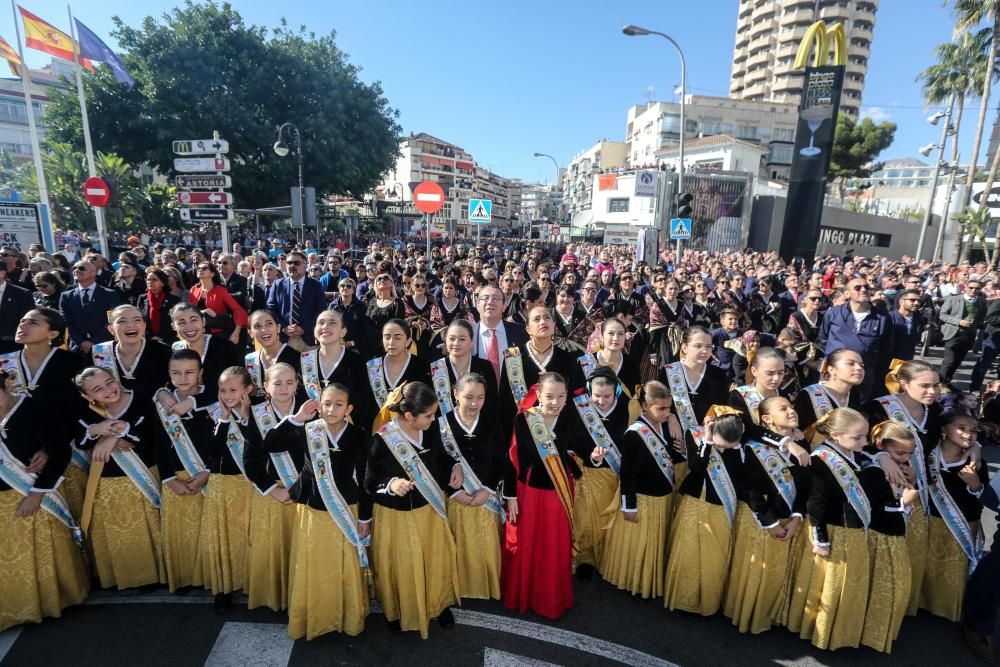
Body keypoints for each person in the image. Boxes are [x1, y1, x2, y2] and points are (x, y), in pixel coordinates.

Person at [275, 382, 371, 639]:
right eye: (326, 403)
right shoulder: (308, 430)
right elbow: (271, 444)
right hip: (313, 509)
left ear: (348, 408)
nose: (331, 409)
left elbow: (365, 479)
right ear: (319, 405)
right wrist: (296, 418)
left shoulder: (358, 435)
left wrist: (365, 517)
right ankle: (315, 616)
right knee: (315, 566)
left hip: (345, 509)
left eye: (338, 404)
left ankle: (347, 617)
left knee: (343, 566)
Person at [366, 382, 462, 638]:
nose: (434, 419)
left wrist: (455, 466)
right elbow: (370, 482)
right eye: (428, 415)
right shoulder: (383, 439)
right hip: (397, 517)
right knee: (403, 566)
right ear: (409, 416)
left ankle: (439, 604)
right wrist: (391, 484)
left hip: (428, 510)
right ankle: (398, 610)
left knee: (435, 558)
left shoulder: (429, 431)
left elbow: (441, 457)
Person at [0, 367, 89, 632]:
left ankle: (51, 603)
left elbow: (59, 451)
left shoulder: (36, 409)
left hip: (37, 494)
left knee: (42, 554)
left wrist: (37, 494)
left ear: (6, 387)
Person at [75, 366, 164, 591]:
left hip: (144, 474)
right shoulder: (89, 411)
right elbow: (81, 441)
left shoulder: (142, 399)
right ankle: (127, 576)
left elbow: (148, 437)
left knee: (150, 526)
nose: (108, 390)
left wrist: (110, 438)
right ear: (87, 396)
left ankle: (157, 574)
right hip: (107, 481)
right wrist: (97, 429)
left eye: (109, 382)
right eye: (97, 389)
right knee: (119, 531)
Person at [789, 407, 871, 651]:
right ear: (835, 435)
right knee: (828, 585)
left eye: (865, 436)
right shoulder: (822, 460)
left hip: (852, 530)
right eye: (858, 437)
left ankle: (843, 629)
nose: (864, 442)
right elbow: (815, 503)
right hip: (834, 530)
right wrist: (821, 538)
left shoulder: (855, 453)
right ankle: (821, 630)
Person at [863, 359, 941, 616]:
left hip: (917, 489)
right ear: (903, 384)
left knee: (911, 546)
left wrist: (974, 446)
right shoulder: (878, 408)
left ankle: (903, 602)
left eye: (936, 386)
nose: (932, 392)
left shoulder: (935, 412)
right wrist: (881, 457)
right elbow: (859, 443)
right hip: (885, 487)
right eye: (925, 386)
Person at [724, 395, 807, 635]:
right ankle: (750, 614)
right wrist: (769, 522)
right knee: (757, 572)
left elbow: (806, 484)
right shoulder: (752, 447)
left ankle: (774, 613)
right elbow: (749, 489)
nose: (791, 411)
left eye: (792, 407)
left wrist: (798, 516)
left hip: (791, 519)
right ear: (767, 419)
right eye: (784, 409)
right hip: (761, 521)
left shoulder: (801, 446)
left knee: (779, 572)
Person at [502, 372, 582, 620]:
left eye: (561, 396)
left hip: (558, 492)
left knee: (554, 545)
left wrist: (593, 457)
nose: (555, 402)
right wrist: (511, 496)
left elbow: (580, 450)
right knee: (528, 543)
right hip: (530, 492)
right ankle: (524, 594)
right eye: (549, 396)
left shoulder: (570, 417)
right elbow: (512, 460)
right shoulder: (525, 419)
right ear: (538, 395)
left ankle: (551, 598)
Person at [600, 380, 681, 599]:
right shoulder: (634, 433)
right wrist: (629, 506)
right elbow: (627, 474)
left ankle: (649, 580)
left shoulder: (665, 425)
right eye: (661, 408)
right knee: (639, 546)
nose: (667, 413)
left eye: (669, 409)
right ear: (645, 406)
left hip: (662, 497)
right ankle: (633, 581)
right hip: (642, 500)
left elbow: (669, 460)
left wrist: (680, 452)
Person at [663, 407, 745, 617]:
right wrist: (707, 442)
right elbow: (697, 469)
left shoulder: (738, 444)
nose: (726, 447)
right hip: (695, 502)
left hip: (721, 507)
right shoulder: (695, 435)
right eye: (721, 442)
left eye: (731, 443)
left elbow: (738, 475)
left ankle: (707, 601)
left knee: (714, 558)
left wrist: (732, 447)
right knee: (688, 553)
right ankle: (683, 600)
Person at [152, 350, 218, 598]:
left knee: (210, 531)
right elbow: (159, 443)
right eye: (176, 373)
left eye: (190, 372)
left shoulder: (214, 399)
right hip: (178, 478)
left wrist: (208, 471)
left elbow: (223, 442)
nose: (183, 377)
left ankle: (214, 578)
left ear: (200, 373)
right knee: (183, 534)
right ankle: (187, 577)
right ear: (169, 376)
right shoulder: (162, 404)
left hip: (209, 475)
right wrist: (168, 478)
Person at [245, 362, 307, 611]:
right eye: (277, 383)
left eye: (290, 382)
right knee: (274, 550)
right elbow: (250, 461)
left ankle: (302, 595)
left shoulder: (310, 410)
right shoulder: (257, 413)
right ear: (265, 387)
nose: (284, 388)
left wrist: (304, 487)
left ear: (297, 384)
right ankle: (276, 597)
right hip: (274, 493)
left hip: (305, 491)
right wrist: (274, 490)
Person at [439, 372, 502, 600]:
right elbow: (437, 460)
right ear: (456, 394)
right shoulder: (442, 424)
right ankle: (461, 587)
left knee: (487, 545)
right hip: (457, 497)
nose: (475, 404)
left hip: (487, 495)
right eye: (468, 397)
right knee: (459, 543)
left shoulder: (492, 421)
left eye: (481, 398)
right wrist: (455, 492)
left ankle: (488, 586)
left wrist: (487, 488)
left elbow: (500, 457)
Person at [921, 411, 989, 623]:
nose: (968, 435)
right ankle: (920, 602)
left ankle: (945, 607)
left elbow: (983, 499)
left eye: (973, 431)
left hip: (962, 524)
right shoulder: (927, 456)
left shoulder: (976, 464)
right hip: (931, 520)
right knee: (927, 565)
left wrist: (975, 484)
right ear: (944, 429)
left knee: (951, 572)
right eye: (961, 428)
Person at [859, 421, 918, 654]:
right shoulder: (874, 471)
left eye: (909, 453)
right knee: (880, 586)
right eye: (899, 453)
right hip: (879, 537)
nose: (905, 458)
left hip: (893, 536)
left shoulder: (900, 466)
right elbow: (876, 510)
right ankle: (869, 632)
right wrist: (904, 503)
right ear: (881, 446)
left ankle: (879, 630)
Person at [571, 366, 630, 582]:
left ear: (616, 392)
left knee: (610, 519)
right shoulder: (582, 409)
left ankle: (606, 559)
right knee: (586, 518)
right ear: (589, 391)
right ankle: (585, 558)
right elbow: (575, 439)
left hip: (615, 475)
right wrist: (591, 454)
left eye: (607, 396)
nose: (602, 401)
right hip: (590, 473)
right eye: (596, 396)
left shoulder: (627, 408)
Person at [818, 277, 894, 402]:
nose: (863, 290)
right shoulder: (834, 313)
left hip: (863, 374)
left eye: (867, 287)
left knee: (857, 409)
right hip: (834, 373)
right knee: (828, 405)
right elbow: (823, 337)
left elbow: (886, 347)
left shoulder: (882, 317)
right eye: (858, 288)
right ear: (847, 293)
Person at [367, 319, 432, 431]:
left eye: (397, 337)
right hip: (377, 433)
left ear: (408, 341)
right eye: (387, 337)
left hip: (411, 432)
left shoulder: (421, 366)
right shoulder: (372, 366)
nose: (391, 342)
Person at [168, 302, 241, 397]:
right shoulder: (175, 350)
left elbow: (237, 383)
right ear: (174, 326)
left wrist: (195, 402)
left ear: (203, 321)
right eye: (182, 322)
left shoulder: (225, 347)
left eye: (194, 320)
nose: (189, 327)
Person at [429, 319, 497, 417]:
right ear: (445, 341)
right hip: (444, 429)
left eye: (462, 339)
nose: (456, 343)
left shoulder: (485, 367)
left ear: (471, 342)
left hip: (479, 428)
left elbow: (491, 403)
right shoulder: (435, 368)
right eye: (452, 339)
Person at [266, 250, 328, 351]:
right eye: (289, 263)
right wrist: (284, 328)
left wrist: (304, 328)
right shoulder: (278, 285)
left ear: (305, 265)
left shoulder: (316, 285)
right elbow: (271, 310)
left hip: (309, 339)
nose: (292, 265)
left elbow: (320, 311)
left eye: (296, 263)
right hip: (284, 338)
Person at [60, 260, 124, 353]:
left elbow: (112, 320)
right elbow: (66, 322)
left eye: (81, 268)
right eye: (74, 268)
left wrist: (94, 342)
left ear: (93, 273)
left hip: (104, 346)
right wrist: (81, 342)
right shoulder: (66, 296)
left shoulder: (110, 294)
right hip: (77, 348)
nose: (76, 270)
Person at [472, 285, 528, 384]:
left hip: (513, 395)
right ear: (477, 305)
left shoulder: (520, 332)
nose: (490, 302)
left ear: (504, 305)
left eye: (495, 298)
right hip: (479, 396)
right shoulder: (469, 335)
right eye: (485, 298)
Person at [938, 278, 986, 386]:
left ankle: (947, 382)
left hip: (969, 335)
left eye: (977, 288)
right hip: (953, 333)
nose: (973, 290)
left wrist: (979, 325)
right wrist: (959, 321)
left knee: (958, 361)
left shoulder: (982, 301)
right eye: (971, 288)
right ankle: (939, 384)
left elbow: (982, 316)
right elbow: (942, 315)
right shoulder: (953, 299)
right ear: (965, 288)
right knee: (949, 361)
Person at [187, 260, 248, 346]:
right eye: (199, 268)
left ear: (212, 274)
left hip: (218, 333)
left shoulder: (220, 290)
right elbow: (189, 311)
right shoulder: (193, 289)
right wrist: (202, 312)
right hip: (198, 333)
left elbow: (238, 309)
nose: (200, 270)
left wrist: (236, 332)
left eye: (204, 268)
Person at [245, 310, 301, 396]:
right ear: (250, 332)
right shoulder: (250, 360)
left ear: (278, 328)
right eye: (257, 326)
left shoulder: (297, 357)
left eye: (269, 324)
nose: (264, 330)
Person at [137, 267, 180, 345]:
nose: (150, 282)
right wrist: (150, 337)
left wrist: (160, 336)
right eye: (148, 279)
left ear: (162, 283)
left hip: (169, 340)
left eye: (154, 279)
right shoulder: (142, 299)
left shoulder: (174, 300)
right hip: (147, 340)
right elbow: (140, 320)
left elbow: (175, 322)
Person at [326, 277, 366, 355]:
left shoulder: (361, 306)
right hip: (336, 345)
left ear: (353, 290)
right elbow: (329, 325)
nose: (345, 288)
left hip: (356, 347)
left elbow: (365, 329)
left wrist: (352, 343)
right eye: (342, 286)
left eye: (348, 286)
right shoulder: (333, 305)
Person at [889, 288, 925, 361]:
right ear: (901, 302)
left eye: (918, 300)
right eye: (912, 300)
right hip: (887, 361)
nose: (916, 303)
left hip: (906, 361)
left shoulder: (918, 320)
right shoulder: (889, 318)